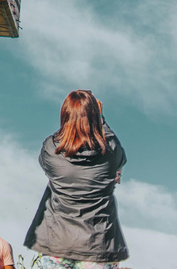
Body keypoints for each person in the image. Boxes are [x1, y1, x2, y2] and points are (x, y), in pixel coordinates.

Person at [24, 90, 128, 269]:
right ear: (94, 119)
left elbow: (57, 142)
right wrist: (100, 118)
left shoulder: (50, 151)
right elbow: (115, 148)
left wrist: (73, 118)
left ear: (65, 117)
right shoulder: (109, 152)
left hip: (58, 244)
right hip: (98, 247)